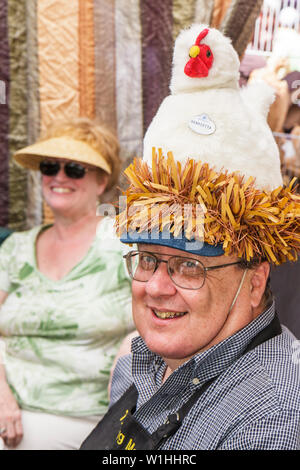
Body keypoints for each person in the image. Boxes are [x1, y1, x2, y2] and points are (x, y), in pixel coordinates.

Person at [80, 25, 300, 450]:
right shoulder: (135, 365)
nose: (157, 287)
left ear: (254, 281)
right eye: (147, 259)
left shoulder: (275, 412)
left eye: (189, 265)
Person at [0, 117, 134, 450]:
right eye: (50, 166)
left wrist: (133, 340)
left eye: (74, 168)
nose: (59, 177)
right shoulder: (16, 247)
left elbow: (163, 313)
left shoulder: (123, 243)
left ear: (102, 181)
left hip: (83, 418)